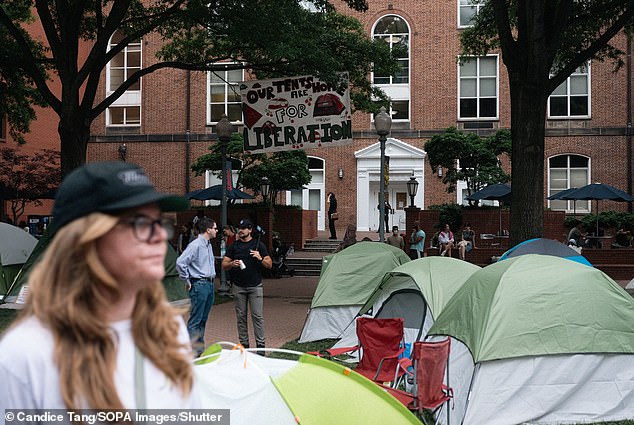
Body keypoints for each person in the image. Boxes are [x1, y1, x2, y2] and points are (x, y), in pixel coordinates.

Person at [0, 161, 198, 410]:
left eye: (159, 223)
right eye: (140, 224)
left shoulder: (169, 329)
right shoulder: (25, 354)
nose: (159, 236)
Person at [222, 218, 272, 351]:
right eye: (239, 228)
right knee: (241, 317)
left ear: (250, 230)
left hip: (255, 286)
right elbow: (224, 264)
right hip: (238, 286)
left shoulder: (258, 245)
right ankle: (244, 345)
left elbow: (269, 264)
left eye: (244, 228)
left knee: (257, 316)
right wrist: (232, 264)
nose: (241, 230)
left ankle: (261, 346)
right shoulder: (234, 246)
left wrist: (260, 258)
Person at [176, 217, 218, 357]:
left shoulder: (208, 244)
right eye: (215, 228)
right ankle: (193, 352)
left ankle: (199, 350)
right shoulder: (196, 245)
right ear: (208, 230)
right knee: (196, 320)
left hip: (209, 284)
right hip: (199, 284)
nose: (216, 231)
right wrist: (187, 280)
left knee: (203, 319)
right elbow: (181, 262)